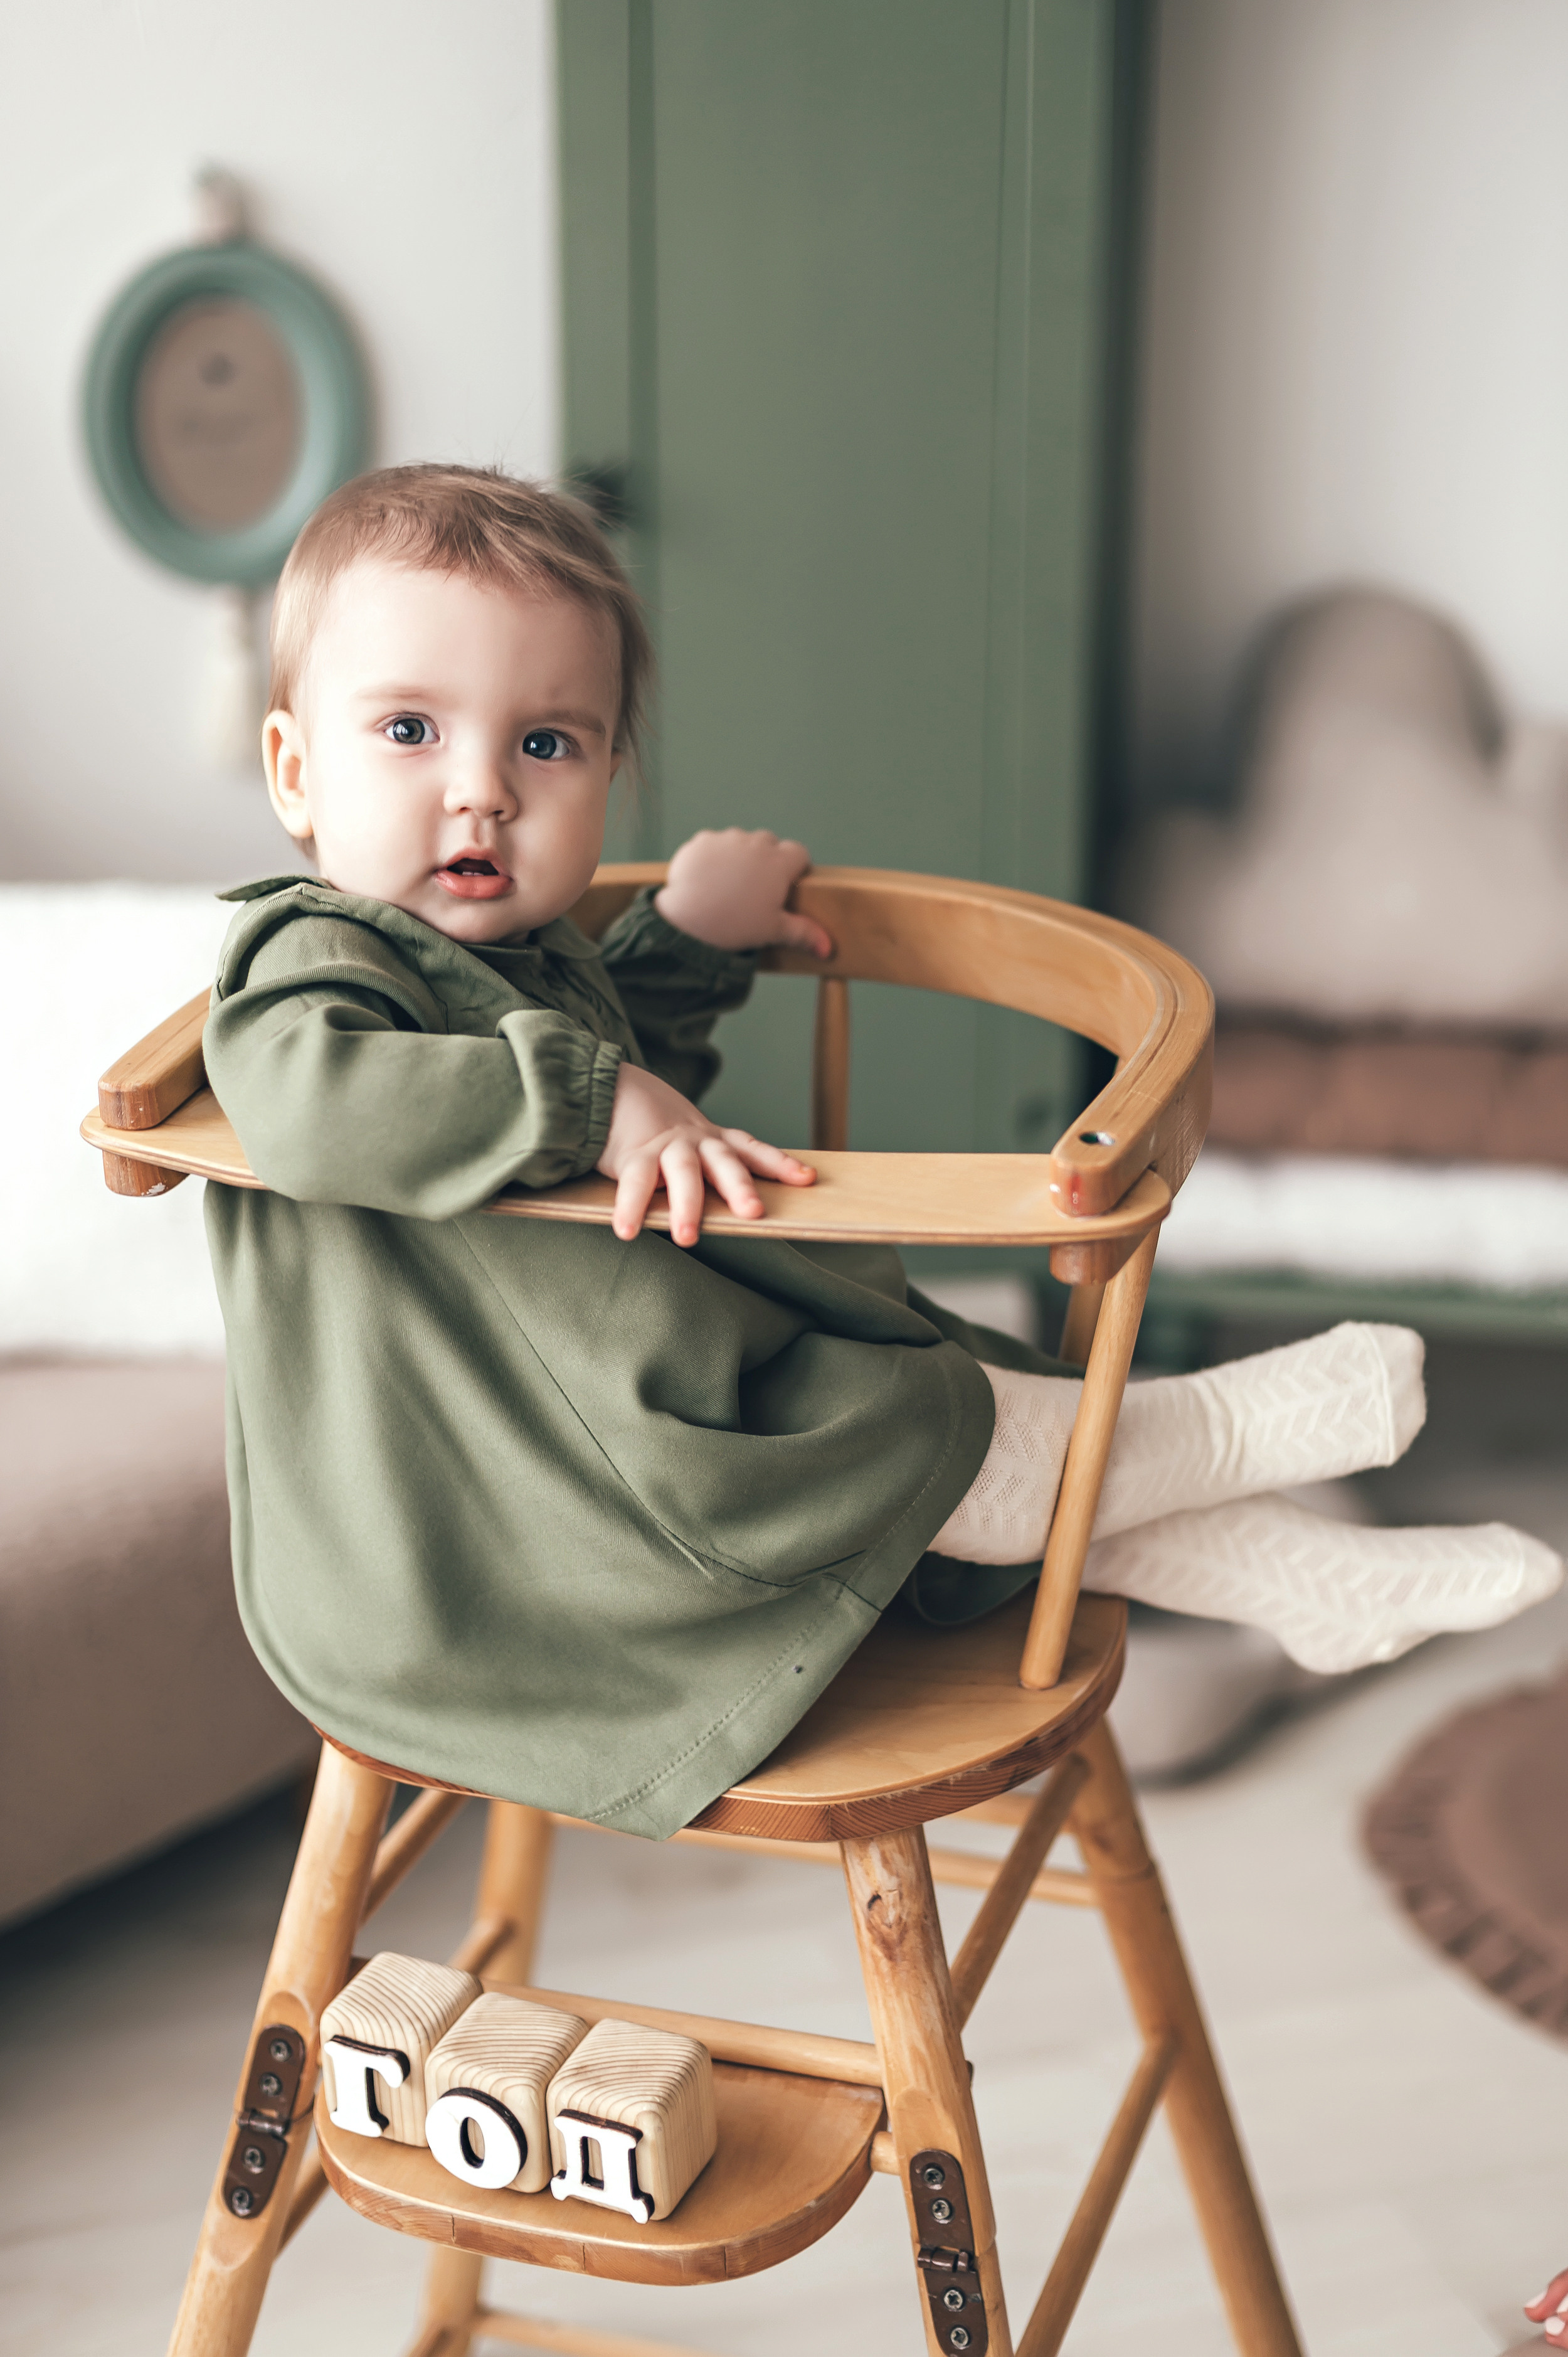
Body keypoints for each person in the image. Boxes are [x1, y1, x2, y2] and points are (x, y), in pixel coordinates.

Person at [200, 462, 1560, 1838]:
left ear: (613, 767)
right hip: (517, 1521)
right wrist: (593, 1105)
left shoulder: (525, 948)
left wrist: (678, 941)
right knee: (896, 1410)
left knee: (930, 1363)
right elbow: (325, 1099)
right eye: (412, 730)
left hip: (634, 1409)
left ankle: (1286, 1577)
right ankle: (1202, 1430)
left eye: (546, 744)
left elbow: (624, 1067)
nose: (481, 792)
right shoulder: (308, 962)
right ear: (296, 770)